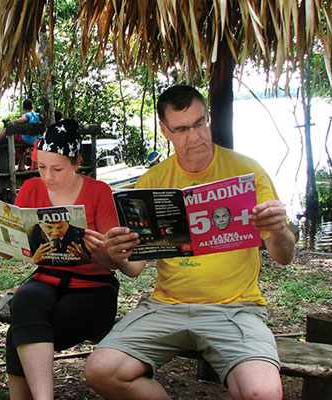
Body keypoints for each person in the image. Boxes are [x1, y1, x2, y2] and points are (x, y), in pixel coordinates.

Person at [85, 85, 296, 400]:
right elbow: (134, 268)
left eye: (199, 123)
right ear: (165, 130)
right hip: (166, 306)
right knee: (100, 370)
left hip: (234, 307)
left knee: (262, 393)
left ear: (208, 117)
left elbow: (284, 256)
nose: (194, 136)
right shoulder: (152, 182)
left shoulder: (247, 171)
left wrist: (278, 231)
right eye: (181, 129)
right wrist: (111, 255)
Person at [0, 118, 139, 400]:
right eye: (41, 167)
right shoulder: (31, 190)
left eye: (57, 168)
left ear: (76, 163)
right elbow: (9, 250)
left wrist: (101, 249)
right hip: (45, 281)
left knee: (19, 335)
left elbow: (118, 263)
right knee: (25, 299)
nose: (48, 176)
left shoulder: (99, 192)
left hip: (93, 288)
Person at [0, 99, 41, 170]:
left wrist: (13, 121)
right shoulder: (37, 115)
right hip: (34, 140)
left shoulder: (27, 115)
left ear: (23, 108)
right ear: (31, 107)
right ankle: (21, 165)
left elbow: (24, 119)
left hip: (26, 140)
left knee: (8, 132)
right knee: (18, 143)